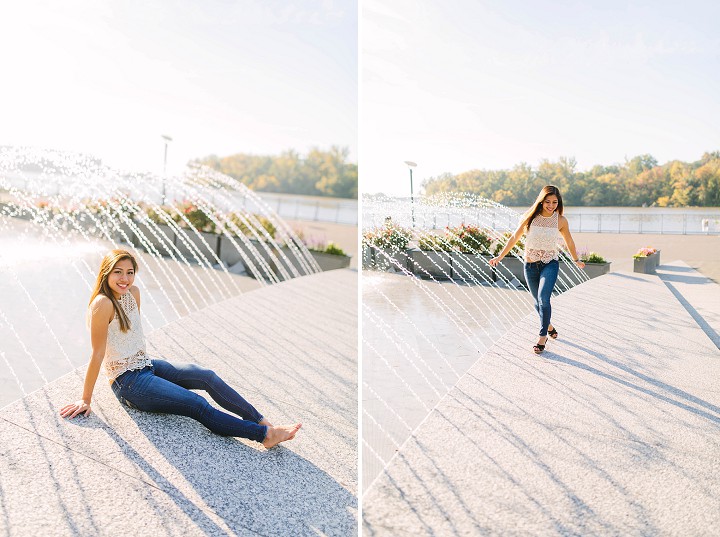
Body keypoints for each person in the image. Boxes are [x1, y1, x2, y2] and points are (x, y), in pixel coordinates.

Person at [60, 249, 301, 448]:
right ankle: (264, 436)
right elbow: (98, 353)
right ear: (106, 273)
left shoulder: (133, 293)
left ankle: (262, 422)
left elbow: (131, 335)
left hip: (145, 365)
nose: (125, 279)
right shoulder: (102, 304)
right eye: (118, 272)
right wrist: (85, 399)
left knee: (206, 376)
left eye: (130, 273)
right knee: (195, 404)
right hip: (128, 382)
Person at [489, 185, 585, 354]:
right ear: (541, 201)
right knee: (536, 302)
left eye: (555, 202)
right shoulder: (530, 217)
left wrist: (576, 259)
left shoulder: (560, 220)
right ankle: (548, 326)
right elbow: (514, 238)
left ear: (559, 203)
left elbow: (569, 240)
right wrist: (500, 257)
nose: (551, 205)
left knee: (543, 298)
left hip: (550, 263)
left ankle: (542, 337)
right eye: (547, 201)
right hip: (530, 265)